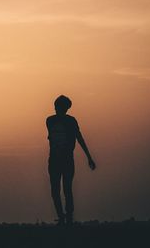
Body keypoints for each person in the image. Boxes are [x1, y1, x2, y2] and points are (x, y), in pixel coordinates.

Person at [46, 95, 96, 226]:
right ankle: (63, 218)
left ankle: (67, 218)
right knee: (56, 190)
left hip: (65, 160)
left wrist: (89, 157)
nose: (58, 109)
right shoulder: (50, 121)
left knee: (66, 189)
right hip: (55, 160)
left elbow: (79, 138)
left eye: (60, 107)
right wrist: (89, 157)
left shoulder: (69, 121)